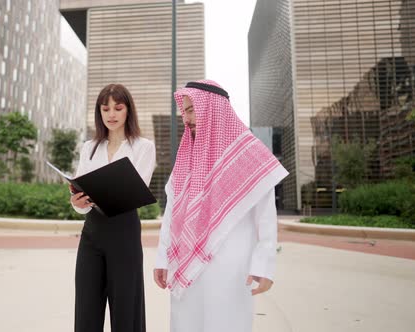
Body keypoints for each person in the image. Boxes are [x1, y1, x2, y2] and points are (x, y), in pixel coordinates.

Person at [153, 80, 288, 332]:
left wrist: (264, 265)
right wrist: (163, 258)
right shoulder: (188, 156)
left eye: (193, 110)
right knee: (185, 324)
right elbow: (172, 213)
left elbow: (266, 219)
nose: (187, 118)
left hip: (231, 268)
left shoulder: (249, 155)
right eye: (186, 111)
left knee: (226, 324)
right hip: (186, 264)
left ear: (212, 110)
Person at [71, 83, 156, 332]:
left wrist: (103, 193)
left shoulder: (144, 147)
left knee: (126, 310)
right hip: (92, 233)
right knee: (86, 307)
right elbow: (81, 199)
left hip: (124, 231)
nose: (111, 114)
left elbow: (135, 192)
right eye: (105, 108)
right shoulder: (89, 147)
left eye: (118, 108)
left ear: (128, 111)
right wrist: (77, 203)